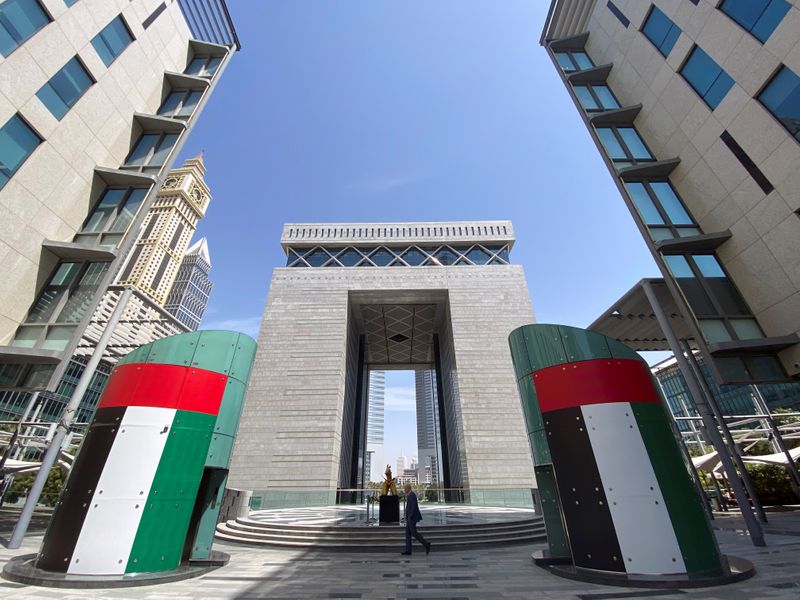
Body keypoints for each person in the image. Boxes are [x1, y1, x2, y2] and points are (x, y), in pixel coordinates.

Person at [401, 483, 431, 556]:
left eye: (405, 489)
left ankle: (426, 544)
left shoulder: (412, 495)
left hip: (412, 518)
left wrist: (410, 516)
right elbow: (410, 506)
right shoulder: (410, 495)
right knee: (408, 534)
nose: (404, 490)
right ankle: (408, 550)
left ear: (408, 488)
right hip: (409, 517)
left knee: (414, 533)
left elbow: (413, 507)